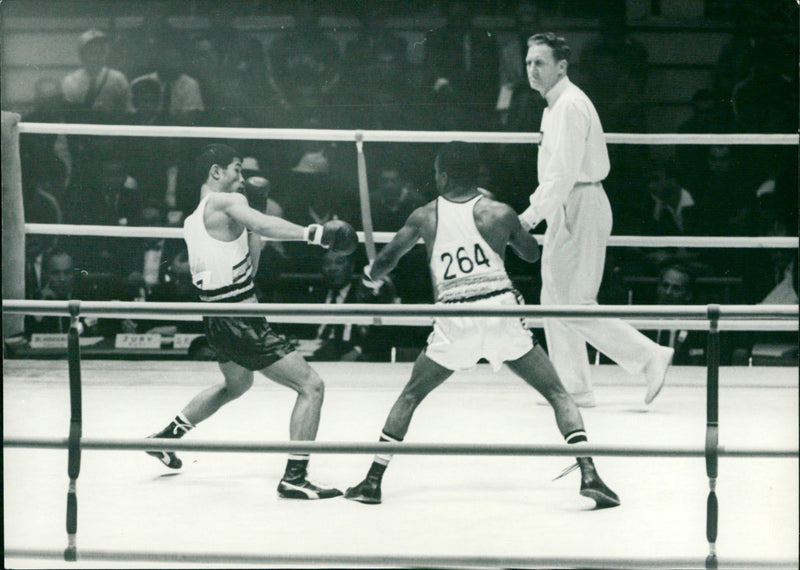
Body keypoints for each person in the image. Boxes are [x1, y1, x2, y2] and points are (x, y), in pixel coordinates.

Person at [344, 142, 619, 509]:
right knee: (557, 394)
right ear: (477, 176)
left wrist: (367, 277)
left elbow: (388, 259)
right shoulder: (499, 212)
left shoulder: (424, 216)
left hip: (455, 318)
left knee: (411, 395)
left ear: (441, 175)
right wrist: (513, 224)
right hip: (501, 313)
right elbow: (531, 254)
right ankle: (590, 474)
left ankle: (372, 481)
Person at [145, 143, 358, 500]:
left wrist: (253, 216)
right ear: (216, 171)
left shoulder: (196, 215)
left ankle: (167, 436)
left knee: (237, 385)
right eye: (236, 169)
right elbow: (262, 224)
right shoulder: (225, 202)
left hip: (217, 316)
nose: (242, 178)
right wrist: (316, 234)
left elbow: (251, 266)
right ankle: (295, 476)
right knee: (312, 386)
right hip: (240, 317)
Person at [518, 33, 673, 408]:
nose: (532, 70)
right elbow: (557, 174)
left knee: (573, 301)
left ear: (561, 66)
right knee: (553, 297)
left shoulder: (569, 105)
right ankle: (573, 388)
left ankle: (649, 356)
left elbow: (563, 172)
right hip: (568, 203)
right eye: (528, 62)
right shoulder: (555, 104)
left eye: (539, 62)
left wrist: (528, 216)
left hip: (579, 201)